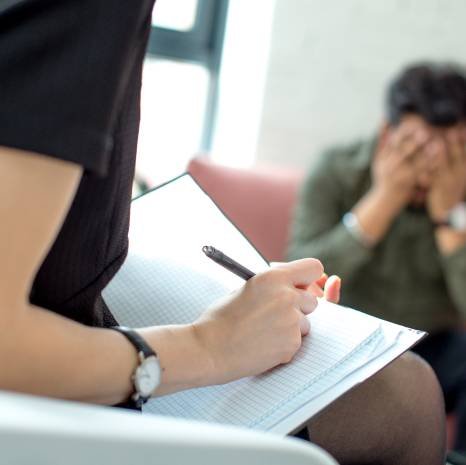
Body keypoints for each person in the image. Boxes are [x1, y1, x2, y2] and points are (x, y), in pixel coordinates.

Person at [0, 3, 445, 464]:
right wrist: (211, 345)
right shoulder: (91, 15)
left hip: (79, 333)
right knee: (406, 396)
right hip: (44, 397)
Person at [288, 62, 466, 459]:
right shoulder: (336, 170)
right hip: (343, 337)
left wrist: (451, 216)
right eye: (419, 148)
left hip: (432, 343)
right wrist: (382, 202)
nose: (431, 168)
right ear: (388, 134)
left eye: (452, 150)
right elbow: (295, 277)